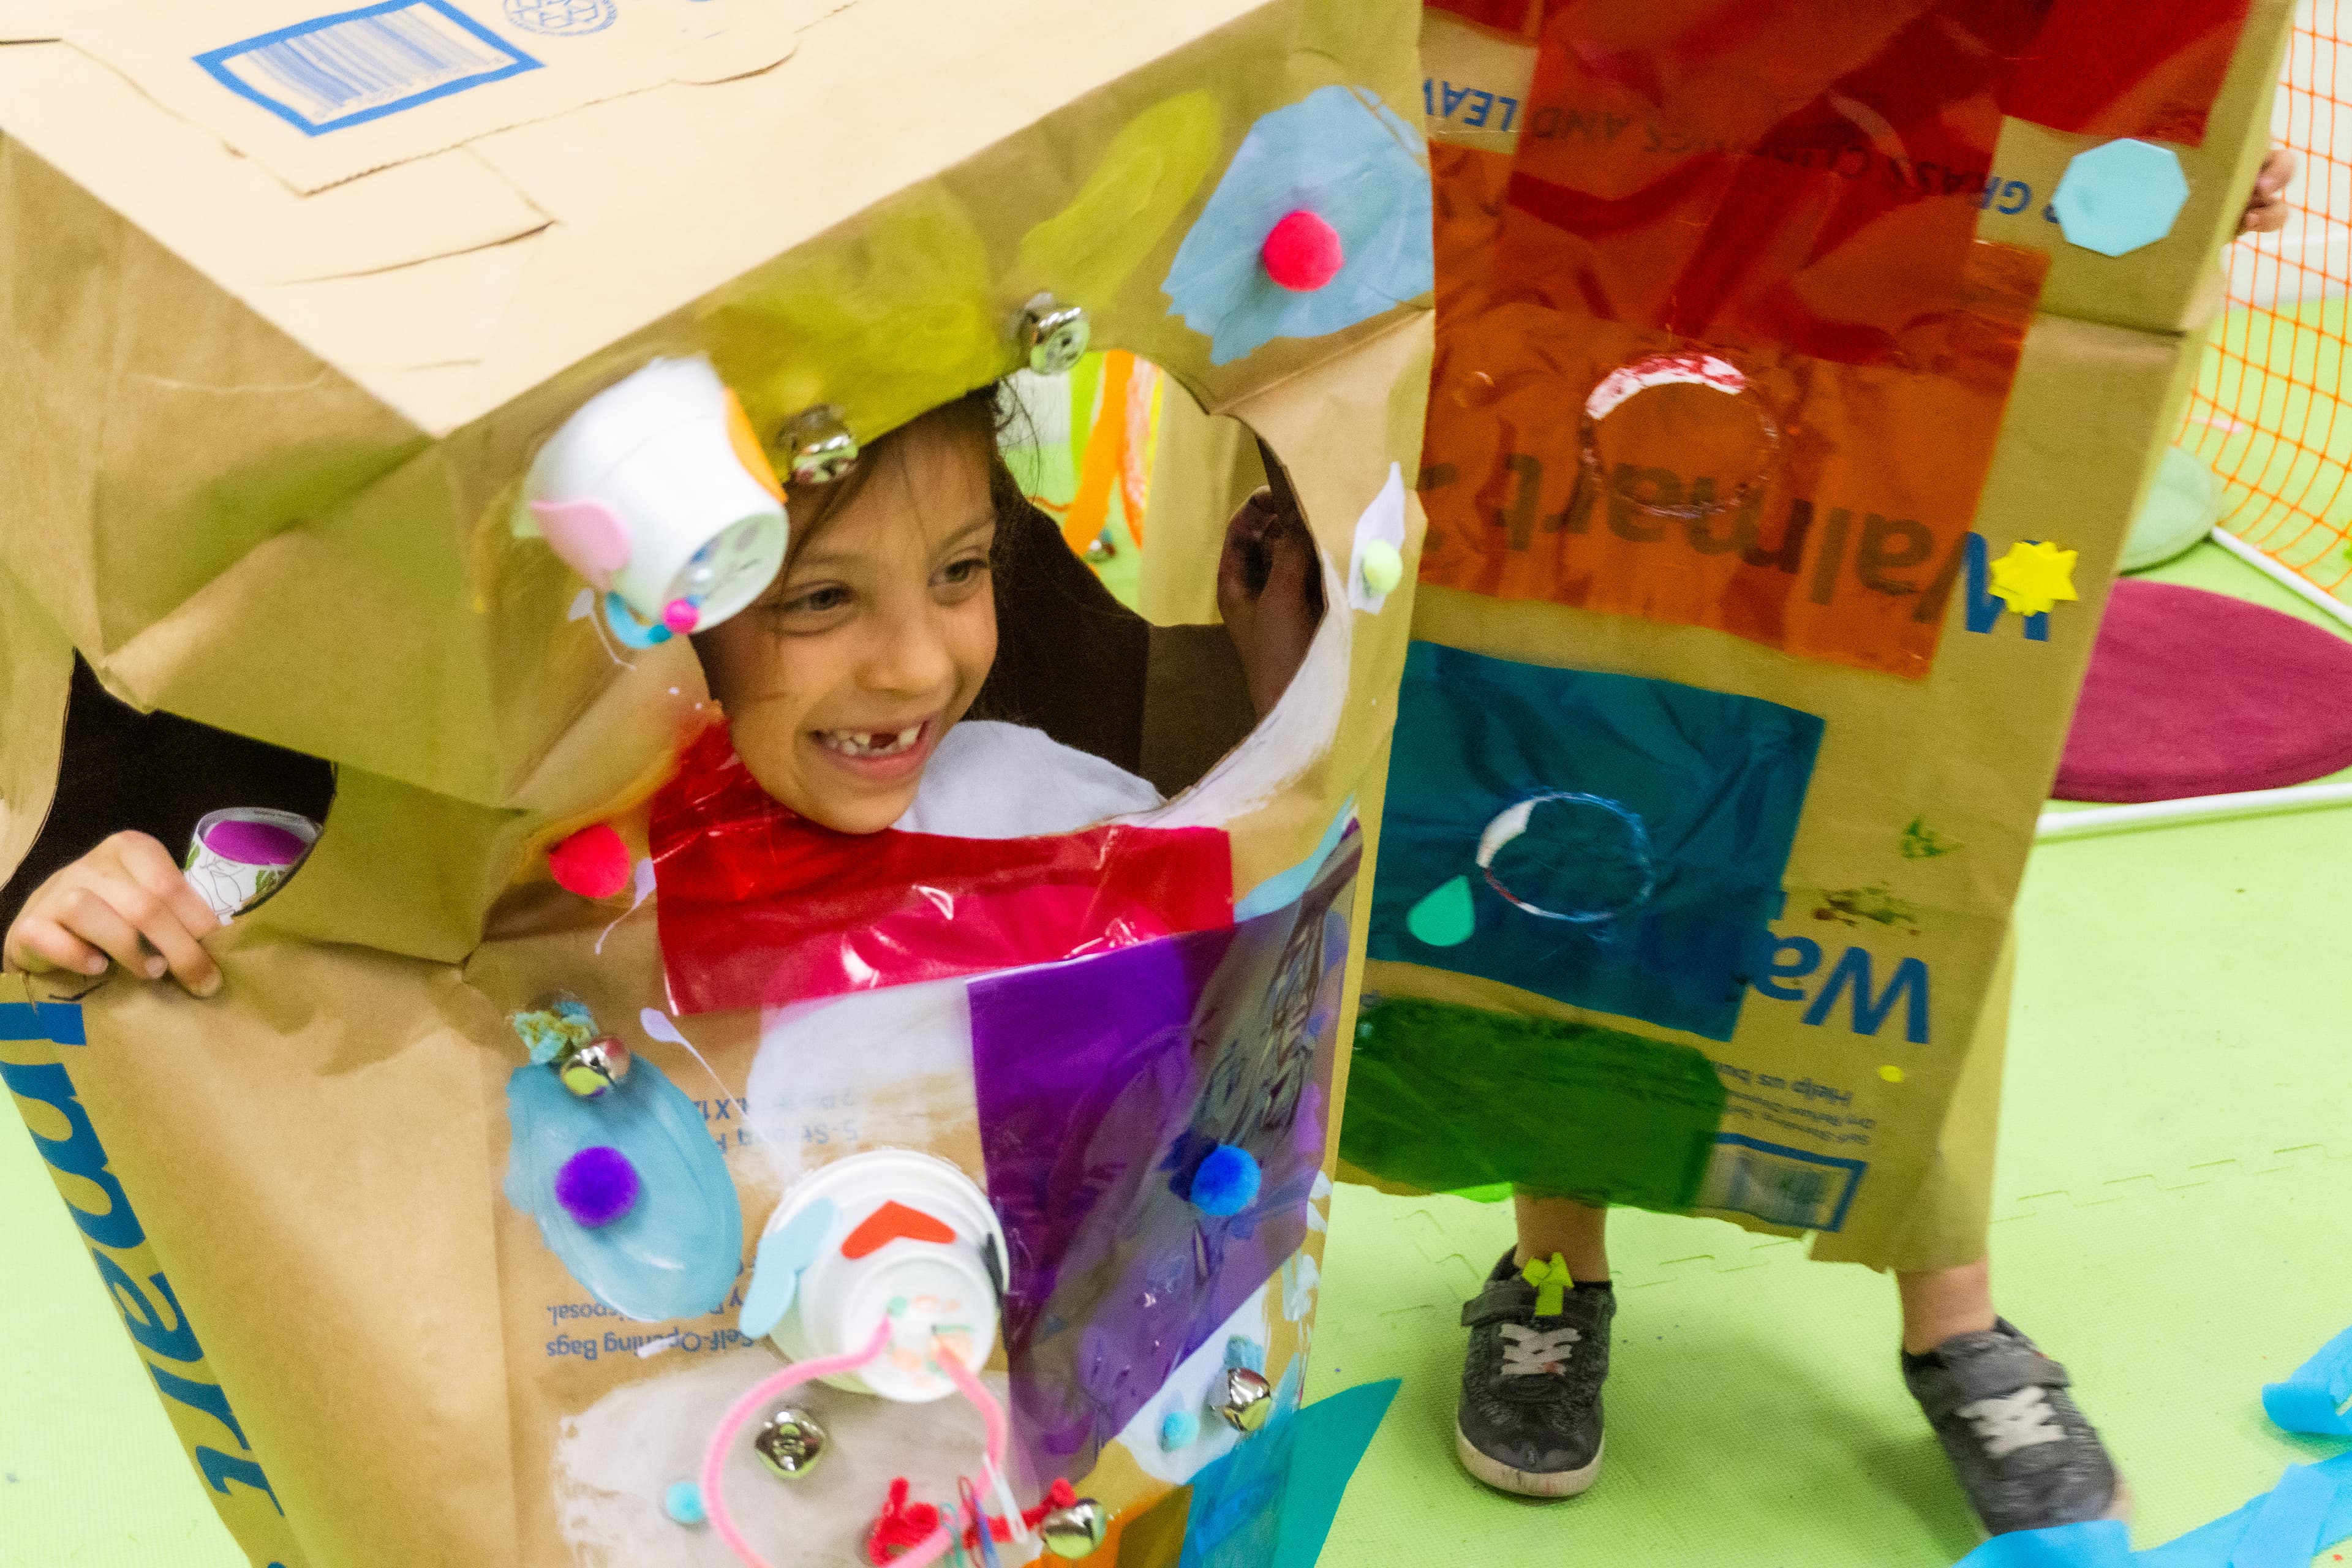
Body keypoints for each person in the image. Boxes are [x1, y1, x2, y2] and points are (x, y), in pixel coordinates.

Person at [1452, 153, 2303, 1533]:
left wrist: (2188, 165)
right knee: (1591, 770)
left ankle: (1952, 1313)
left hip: (1924, 317)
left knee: (1909, 825)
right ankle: (1555, 1264)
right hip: (1642, 270)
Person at [3, 384, 1325, 986]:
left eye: (964, 568)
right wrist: (74, 906)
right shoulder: (466, 852)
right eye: (818, 598)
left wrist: (1282, 697)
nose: (920, 664)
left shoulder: (1029, 791)